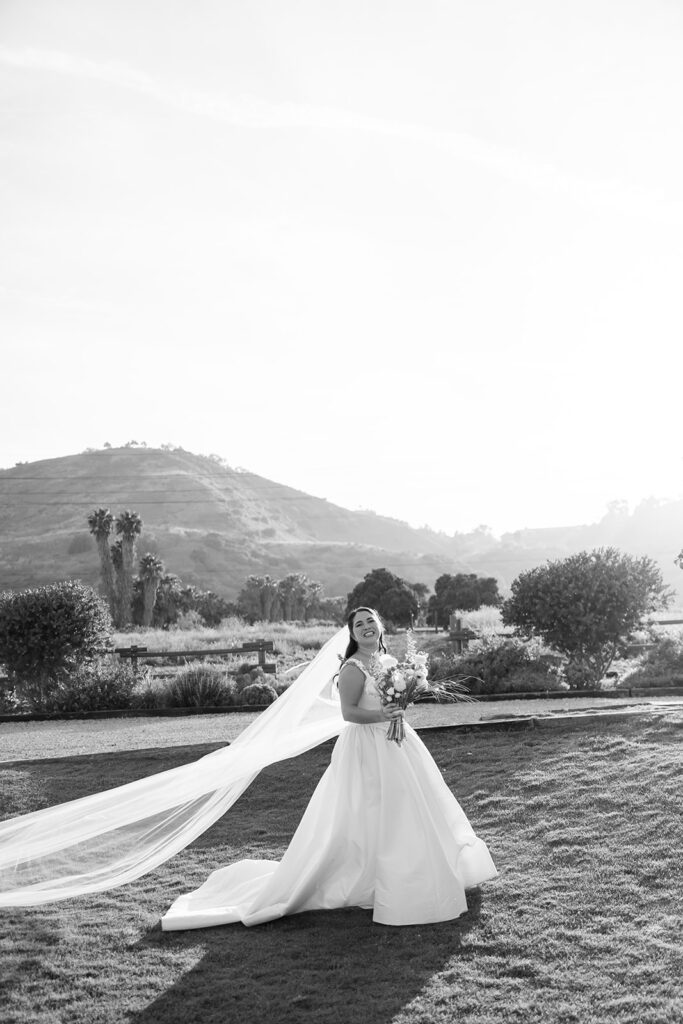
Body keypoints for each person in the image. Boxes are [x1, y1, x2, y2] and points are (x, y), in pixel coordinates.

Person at [160, 607, 497, 929]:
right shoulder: (352, 667)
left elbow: (392, 698)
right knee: (373, 809)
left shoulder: (387, 661)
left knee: (410, 805)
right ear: (351, 634)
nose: (366, 627)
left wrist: (399, 707)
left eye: (370, 621)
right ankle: (375, 877)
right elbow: (349, 713)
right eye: (359, 624)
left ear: (380, 627)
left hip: (398, 742)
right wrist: (387, 715)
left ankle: (418, 870)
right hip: (367, 747)